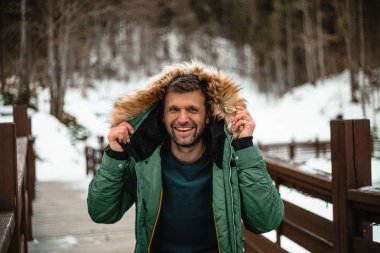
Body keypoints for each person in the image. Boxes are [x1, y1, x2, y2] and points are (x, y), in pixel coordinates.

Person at [87, 61, 284, 253]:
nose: (182, 119)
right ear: (162, 117)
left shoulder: (230, 159)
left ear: (207, 116)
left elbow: (266, 221)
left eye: (192, 109)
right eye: (174, 109)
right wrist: (115, 155)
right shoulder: (143, 159)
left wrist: (244, 146)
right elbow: (102, 213)